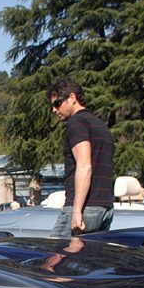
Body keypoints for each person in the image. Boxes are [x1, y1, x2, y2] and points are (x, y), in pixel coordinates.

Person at [48, 78, 115, 237]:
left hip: (85, 208)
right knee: (89, 261)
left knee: (55, 258)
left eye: (57, 103)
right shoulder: (101, 126)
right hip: (105, 207)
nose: (54, 110)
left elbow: (84, 166)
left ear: (72, 98)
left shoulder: (77, 123)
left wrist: (77, 212)